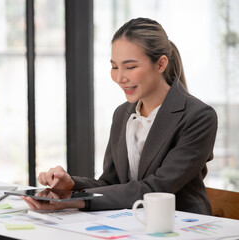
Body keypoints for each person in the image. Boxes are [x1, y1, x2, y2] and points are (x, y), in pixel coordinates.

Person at [22, 17, 218, 215]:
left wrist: (74, 201)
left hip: (182, 224)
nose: (119, 78)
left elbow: (156, 189)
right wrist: (71, 185)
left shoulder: (198, 117)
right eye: (115, 67)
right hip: (129, 221)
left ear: (160, 64)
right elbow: (111, 182)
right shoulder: (122, 114)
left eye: (130, 67)